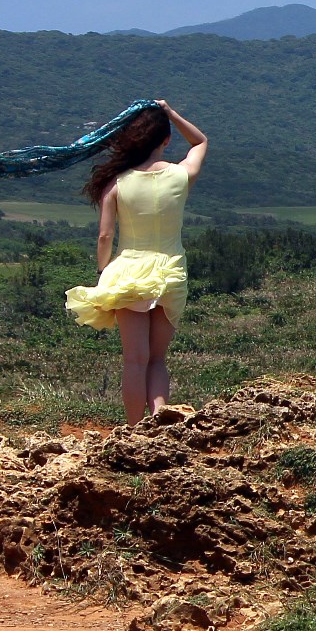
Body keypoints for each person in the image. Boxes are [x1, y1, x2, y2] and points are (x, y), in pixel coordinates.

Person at [62, 101, 208, 423]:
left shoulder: (116, 184)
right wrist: (169, 113)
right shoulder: (180, 176)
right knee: (157, 359)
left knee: (134, 361)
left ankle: (132, 431)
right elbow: (200, 142)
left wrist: (104, 271)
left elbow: (104, 236)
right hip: (171, 272)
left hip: (129, 273)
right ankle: (160, 422)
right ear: (166, 140)